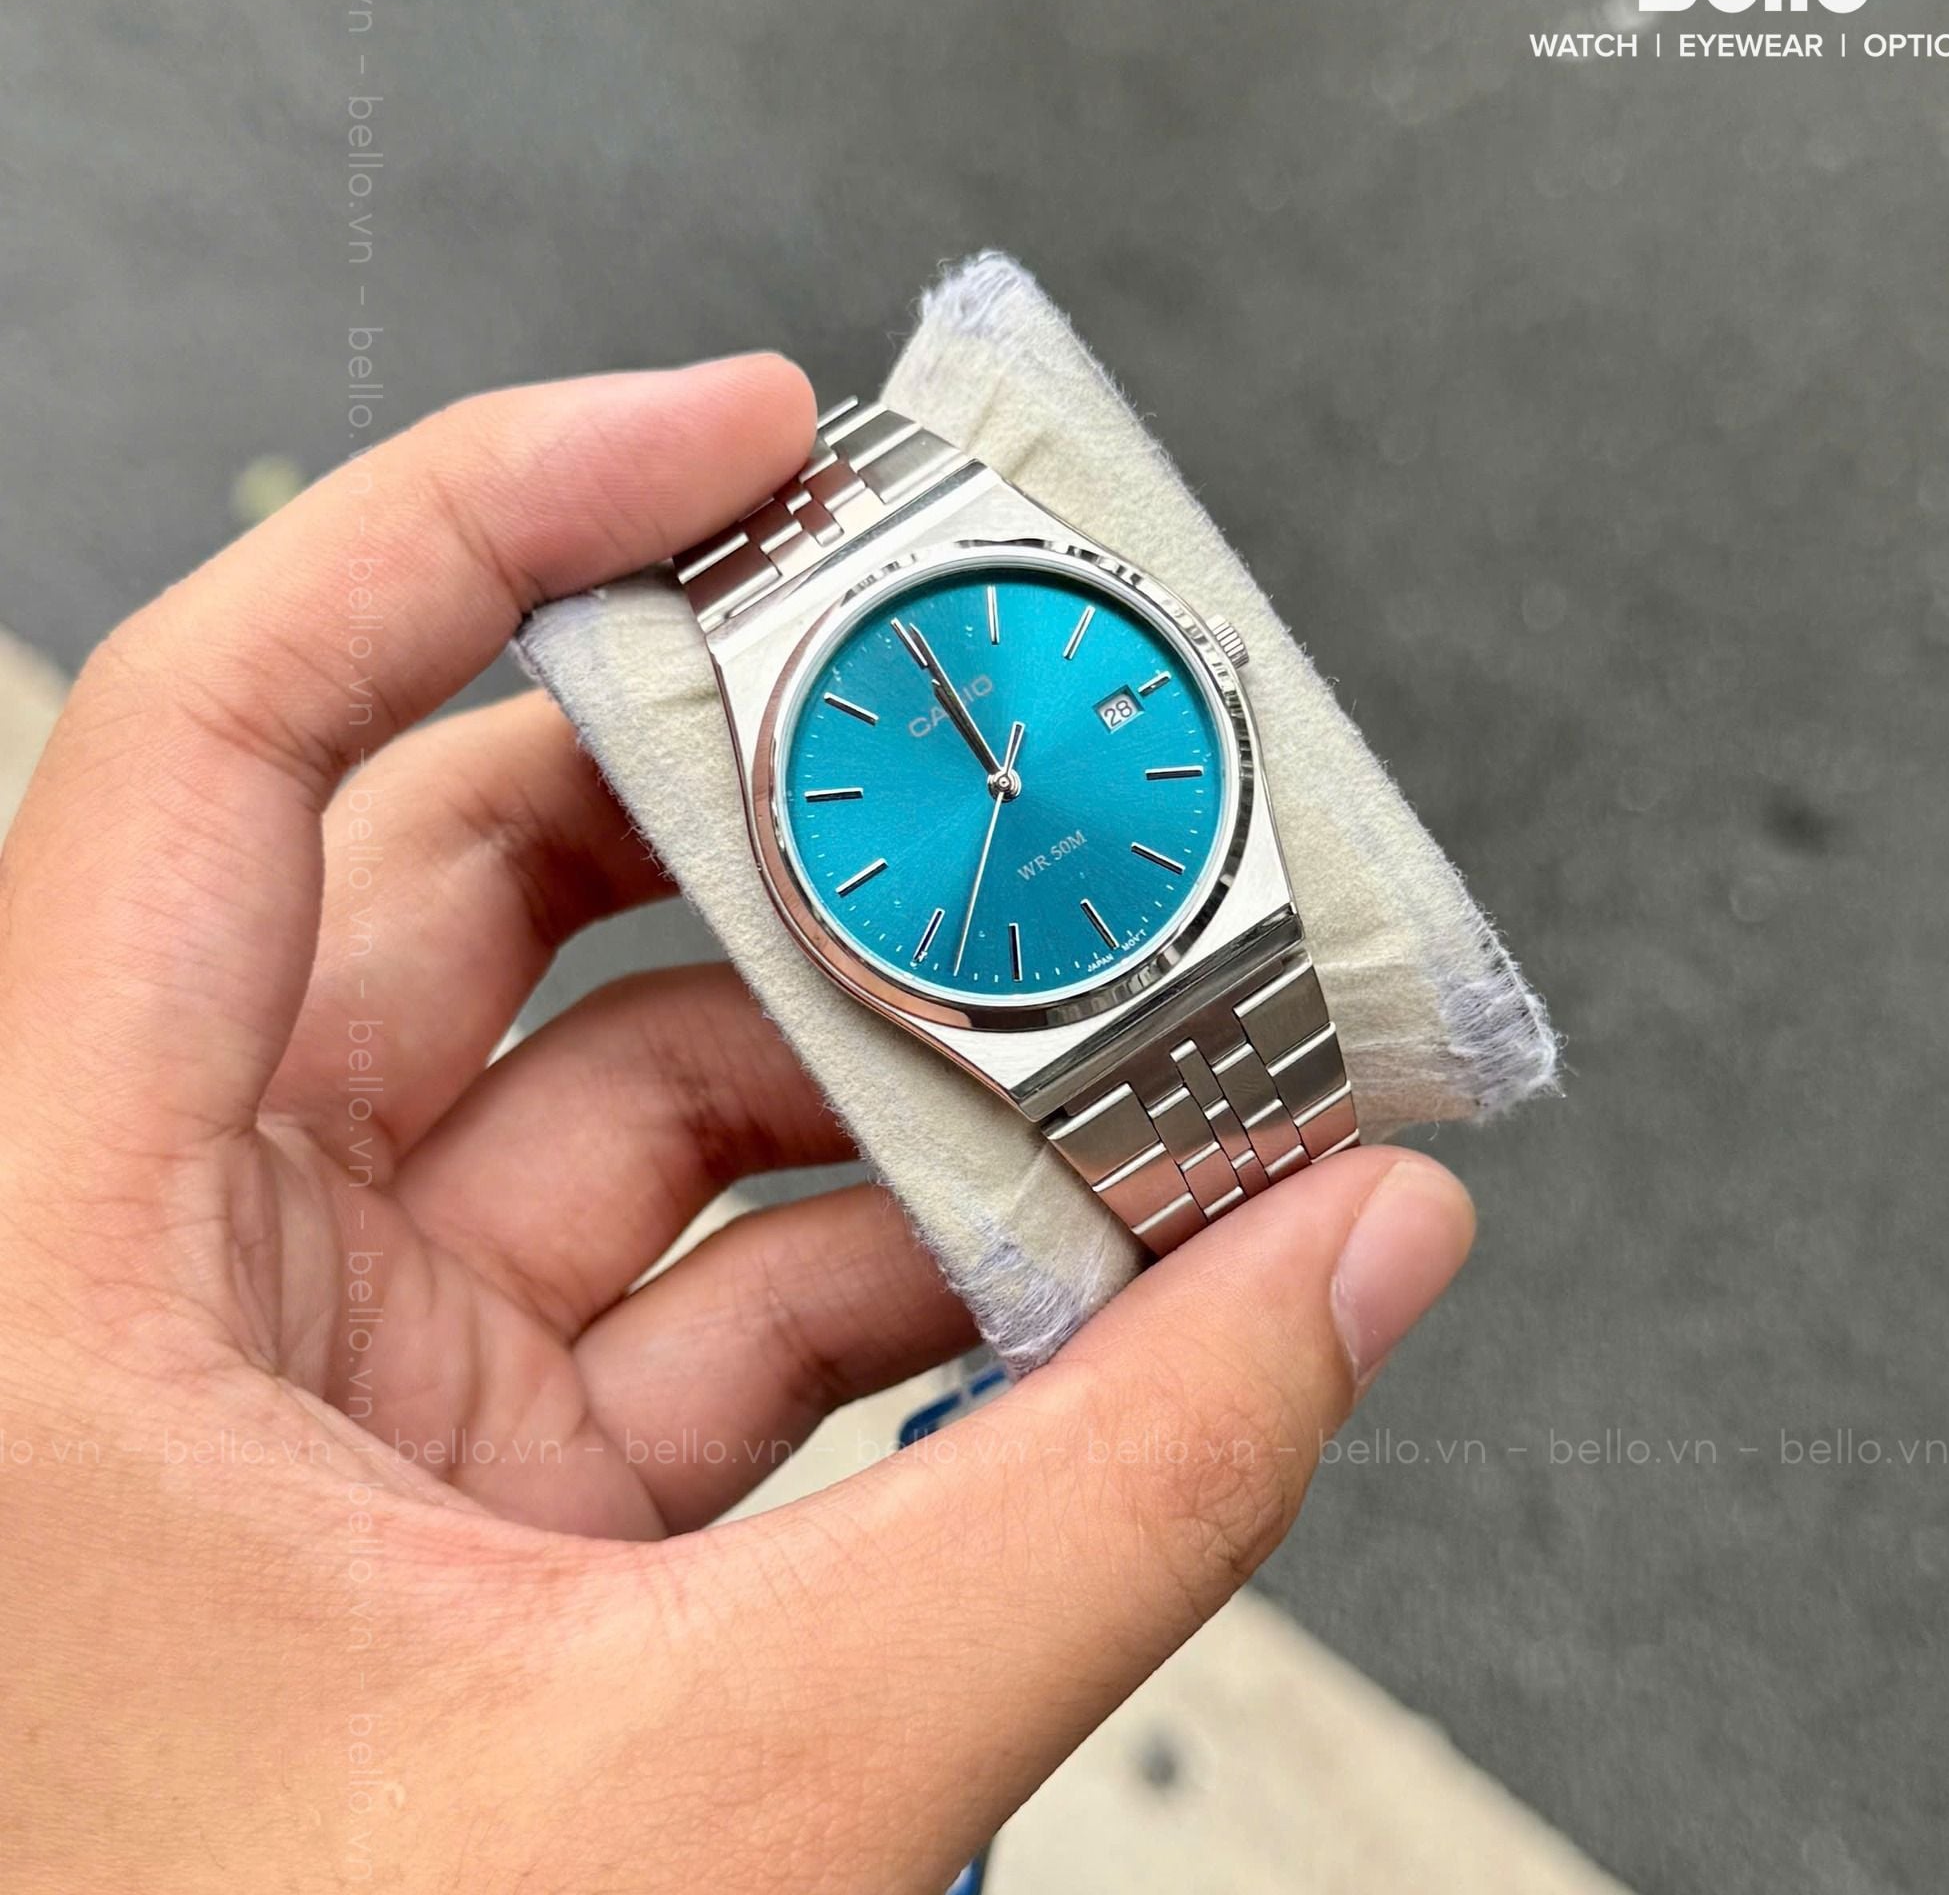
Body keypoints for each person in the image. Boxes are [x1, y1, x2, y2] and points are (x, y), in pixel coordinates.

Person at [0, 354, 1474, 1889]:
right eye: (982, 776)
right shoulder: (827, 834)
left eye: (1009, 759)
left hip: (1194, 901)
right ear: (788, 882)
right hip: (1039, 982)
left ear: (1205, 660)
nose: (1003, 776)